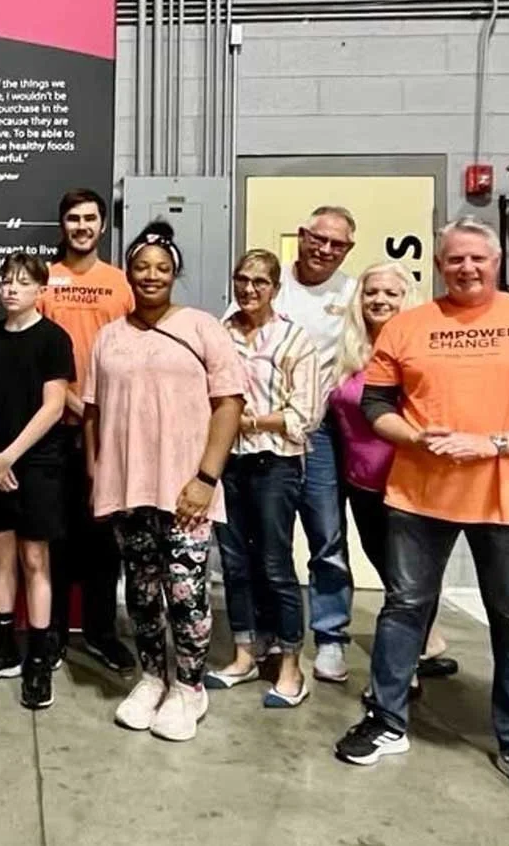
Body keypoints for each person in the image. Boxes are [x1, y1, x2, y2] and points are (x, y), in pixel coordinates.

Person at [333, 217, 509, 812]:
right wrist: (418, 439)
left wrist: (495, 444)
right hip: (419, 495)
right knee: (403, 610)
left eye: (477, 258)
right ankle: (386, 719)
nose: (466, 269)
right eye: (454, 260)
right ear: (441, 263)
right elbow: (376, 403)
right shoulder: (407, 326)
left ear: (496, 261)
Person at [85, 223, 244, 741]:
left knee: (185, 591)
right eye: (141, 266)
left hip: (186, 489)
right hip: (127, 488)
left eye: (162, 267)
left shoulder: (201, 328)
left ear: (175, 273)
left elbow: (229, 404)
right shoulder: (109, 335)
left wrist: (205, 478)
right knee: (142, 589)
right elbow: (92, 411)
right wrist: (97, 473)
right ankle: (154, 676)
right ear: (128, 272)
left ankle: (190, 687)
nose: (151, 275)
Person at [329, 261, 455, 691]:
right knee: (392, 574)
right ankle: (423, 644)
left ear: (408, 300)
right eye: (371, 292)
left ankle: (406, 671)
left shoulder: (422, 351)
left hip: (407, 485)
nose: (379, 300)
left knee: (409, 583)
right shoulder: (351, 350)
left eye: (391, 293)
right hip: (361, 485)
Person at [205, 250, 322, 708]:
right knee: (233, 563)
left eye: (259, 281)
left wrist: (248, 422)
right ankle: (244, 654)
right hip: (228, 463)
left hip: (275, 464)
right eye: (241, 279)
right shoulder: (219, 332)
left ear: (275, 287)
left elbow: (305, 415)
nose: (249, 288)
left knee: (274, 564)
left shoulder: (295, 340)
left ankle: (291, 665)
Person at [0, 253, 75, 711]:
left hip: (38, 463)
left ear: (40, 290)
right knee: (0, 556)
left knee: (33, 558)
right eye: (6, 281)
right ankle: (3, 646)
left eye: (23, 283)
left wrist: (10, 456)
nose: (11, 289)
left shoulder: (53, 339)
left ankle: (39, 657)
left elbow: (52, 407)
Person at [38, 188, 136, 672]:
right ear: (63, 225)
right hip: (52, 429)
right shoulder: (44, 281)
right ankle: (53, 632)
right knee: (55, 534)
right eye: (73, 218)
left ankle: (100, 632)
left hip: (110, 429)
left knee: (103, 537)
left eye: (90, 218)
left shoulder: (120, 283)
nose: (81, 226)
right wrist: (73, 402)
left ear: (102, 227)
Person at [274, 205, 360, 683]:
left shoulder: (351, 293)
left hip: (321, 431)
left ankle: (330, 638)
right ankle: (274, 633)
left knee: (327, 538)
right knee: (271, 539)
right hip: (265, 429)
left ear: (347, 250)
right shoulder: (270, 282)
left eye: (337, 244)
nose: (325, 250)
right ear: (302, 235)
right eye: (318, 239)